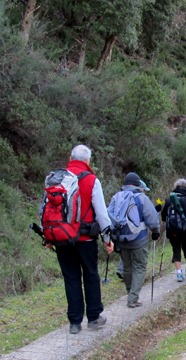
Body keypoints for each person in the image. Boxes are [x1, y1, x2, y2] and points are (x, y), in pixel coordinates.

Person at [54, 144, 113, 335]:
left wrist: (48, 237)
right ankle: (94, 317)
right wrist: (107, 238)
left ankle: (74, 322)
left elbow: (48, 208)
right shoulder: (91, 180)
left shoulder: (57, 178)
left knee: (71, 278)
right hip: (86, 237)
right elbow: (101, 213)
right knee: (90, 275)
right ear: (87, 161)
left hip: (62, 238)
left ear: (70, 158)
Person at [108, 172, 161, 308]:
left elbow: (108, 215)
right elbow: (152, 218)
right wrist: (156, 231)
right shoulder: (141, 197)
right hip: (139, 238)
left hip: (121, 238)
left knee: (127, 267)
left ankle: (130, 293)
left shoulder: (116, 197)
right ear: (138, 184)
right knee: (139, 266)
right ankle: (133, 298)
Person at [115, 181, 160, 280]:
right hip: (139, 234)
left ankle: (122, 271)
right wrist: (156, 231)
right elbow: (150, 216)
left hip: (122, 233)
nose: (145, 192)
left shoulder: (121, 196)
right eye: (144, 190)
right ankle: (134, 281)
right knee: (139, 263)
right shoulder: (141, 198)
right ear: (140, 188)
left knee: (127, 258)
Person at [161, 178, 186, 282]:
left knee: (176, 250)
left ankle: (179, 274)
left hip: (172, 231)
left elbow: (163, 216)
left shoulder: (169, 201)